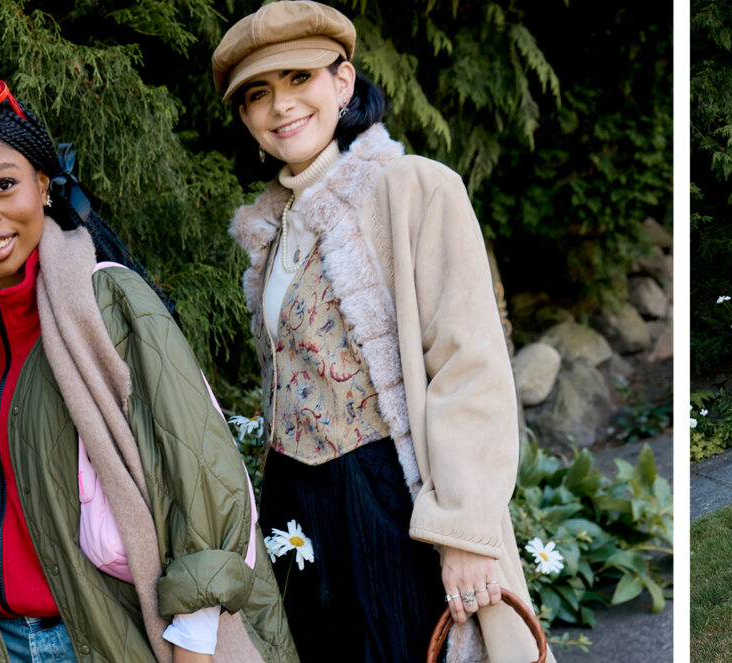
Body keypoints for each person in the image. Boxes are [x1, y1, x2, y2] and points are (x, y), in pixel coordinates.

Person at [0, 78, 297, 663]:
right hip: (3, 645)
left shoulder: (106, 301)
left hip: (109, 639)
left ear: (43, 184)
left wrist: (194, 640)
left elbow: (201, 467)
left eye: (3, 185)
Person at [212, 3, 555, 662]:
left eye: (297, 78)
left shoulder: (414, 189)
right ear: (247, 120)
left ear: (343, 83)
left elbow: (468, 366)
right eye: (258, 93)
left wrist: (462, 529)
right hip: (298, 506)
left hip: (391, 498)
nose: (280, 105)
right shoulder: (269, 232)